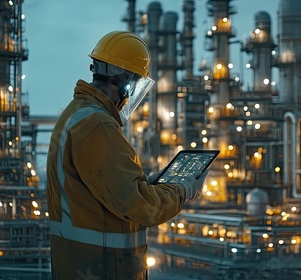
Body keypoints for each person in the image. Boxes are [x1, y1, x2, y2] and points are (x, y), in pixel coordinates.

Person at [46, 31, 208, 280]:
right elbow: (141, 207)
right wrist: (184, 190)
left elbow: (106, 191)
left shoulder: (78, 115)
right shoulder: (98, 126)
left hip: (83, 264)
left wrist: (150, 183)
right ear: (125, 81)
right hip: (102, 268)